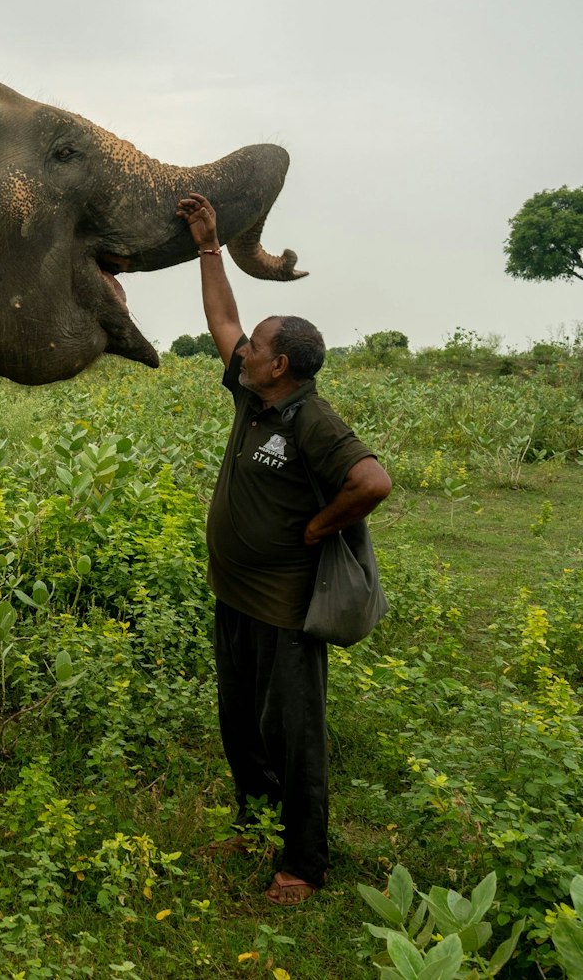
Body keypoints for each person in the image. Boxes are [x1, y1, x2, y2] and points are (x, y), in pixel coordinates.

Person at [179, 191, 393, 905]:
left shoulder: (313, 421)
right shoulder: (253, 396)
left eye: (259, 348)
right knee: (242, 724)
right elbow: (223, 319)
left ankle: (302, 863)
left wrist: (319, 525)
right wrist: (210, 245)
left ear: (282, 367)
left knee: (293, 735)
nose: (245, 350)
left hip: (286, 610)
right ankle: (253, 823)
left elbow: (371, 480)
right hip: (235, 596)